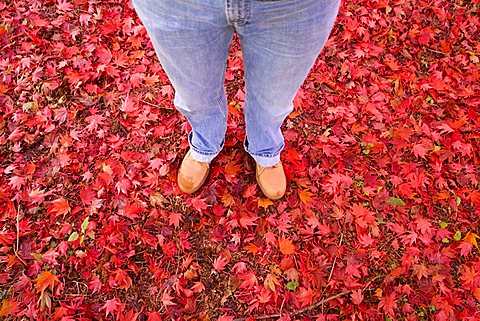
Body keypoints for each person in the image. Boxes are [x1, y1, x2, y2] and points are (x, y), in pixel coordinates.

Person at [132, 0, 341, 200]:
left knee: (274, 98)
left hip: (292, 6)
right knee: (194, 95)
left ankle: (265, 148)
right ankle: (205, 143)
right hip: (179, 5)